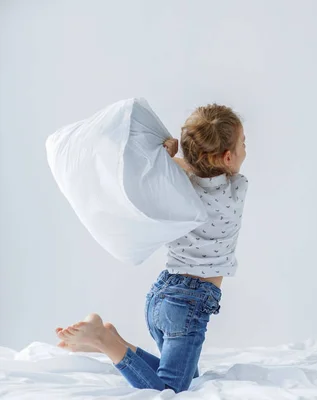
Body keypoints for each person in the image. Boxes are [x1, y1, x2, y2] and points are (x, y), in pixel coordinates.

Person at [56, 104, 248, 392]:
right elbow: (203, 172)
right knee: (172, 390)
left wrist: (164, 156)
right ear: (228, 156)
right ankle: (105, 342)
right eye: (243, 143)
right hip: (189, 305)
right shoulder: (237, 188)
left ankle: (116, 342)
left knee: (189, 379)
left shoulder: (176, 188)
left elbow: (188, 168)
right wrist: (177, 159)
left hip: (163, 296)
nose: (247, 149)